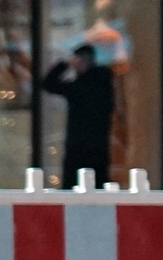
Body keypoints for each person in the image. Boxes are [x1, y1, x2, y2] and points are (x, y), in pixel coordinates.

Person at [40, 45, 114, 185]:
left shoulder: (80, 86)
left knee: (74, 183)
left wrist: (65, 64)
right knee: (98, 182)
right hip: (99, 144)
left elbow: (48, 84)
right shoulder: (104, 82)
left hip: (78, 145)